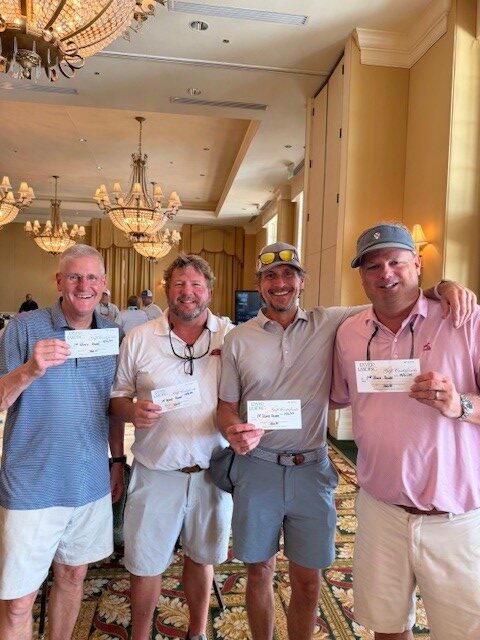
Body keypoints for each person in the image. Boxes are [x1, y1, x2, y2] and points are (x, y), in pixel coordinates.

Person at [216, 241, 474, 640]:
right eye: (270, 276)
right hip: (258, 466)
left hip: (312, 470)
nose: (280, 283)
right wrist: (233, 431)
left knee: (308, 580)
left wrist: (442, 287)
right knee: (259, 571)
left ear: (302, 282)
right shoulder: (238, 338)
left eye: (289, 275)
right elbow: (225, 407)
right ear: (259, 283)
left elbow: (394, 295)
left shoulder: (331, 321)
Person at [331, 223, 480, 640]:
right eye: (372, 266)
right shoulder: (349, 332)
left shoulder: (464, 318)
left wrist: (461, 405)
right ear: (362, 277)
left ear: (417, 264)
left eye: (395, 262)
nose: (385, 274)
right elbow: (336, 395)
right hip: (380, 510)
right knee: (387, 627)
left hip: (454, 516)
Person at [0, 244, 124, 640]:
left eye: (92, 278)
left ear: (103, 284)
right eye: (74, 277)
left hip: (88, 482)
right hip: (31, 484)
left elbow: (112, 405)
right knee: (18, 602)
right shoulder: (23, 328)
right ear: (59, 282)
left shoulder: (113, 334)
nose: (83, 286)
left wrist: (117, 461)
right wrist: (29, 370)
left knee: (73, 576)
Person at [110, 254, 233, 640]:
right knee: (144, 563)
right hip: (156, 471)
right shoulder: (139, 338)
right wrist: (132, 411)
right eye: (179, 284)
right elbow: (116, 399)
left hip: (213, 472)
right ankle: (140, 635)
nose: (187, 292)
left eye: (196, 284)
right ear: (167, 289)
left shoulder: (231, 336)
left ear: (209, 291)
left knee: (202, 557)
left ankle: (197, 632)